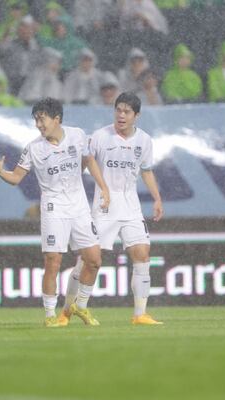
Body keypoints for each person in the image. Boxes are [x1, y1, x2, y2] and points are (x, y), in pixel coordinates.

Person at [0, 98, 110, 327]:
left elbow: (89, 161)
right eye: (36, 120)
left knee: (94, 260)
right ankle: (49, 315)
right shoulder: (33, 148)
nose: (38, 125)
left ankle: (80, 306)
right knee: (53, 261)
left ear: (57, 119)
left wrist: (103, 187)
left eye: (41, 119)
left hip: (79, 208)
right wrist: (0, 172)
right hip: (53, 208)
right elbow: (16, 178)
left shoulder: (77, 135)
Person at [63, 92, 164, 326]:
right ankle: (66, 311)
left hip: (131, 207)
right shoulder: (100, 137)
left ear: (136, 115)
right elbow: (83, 165)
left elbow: (146, 171)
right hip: (104, 206)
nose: (121, 115)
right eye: (118, 110)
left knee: (142, 255)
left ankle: (140, 314)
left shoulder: (144, 141)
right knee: (88, 260)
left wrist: (157, 199)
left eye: (127, 111)